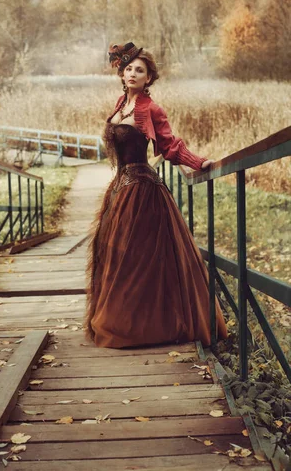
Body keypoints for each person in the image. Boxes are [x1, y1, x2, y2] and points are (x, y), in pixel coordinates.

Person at [84, 42, 228, 348]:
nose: (133, 74)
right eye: (129, 69)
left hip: (143, 191)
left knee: (140, 259)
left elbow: (170, 145)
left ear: (149, 78)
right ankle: (128, 320)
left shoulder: (151, 109)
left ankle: (149, 326)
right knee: (119, 255)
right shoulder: (120, 104)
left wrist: (198, 162)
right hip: (120, 190)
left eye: (140, 70)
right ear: (122, 74)